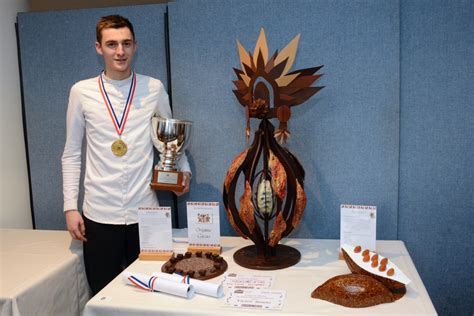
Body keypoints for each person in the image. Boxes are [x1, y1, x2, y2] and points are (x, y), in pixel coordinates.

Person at [62, 15, 191, 295]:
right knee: (104, 295)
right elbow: (71, 153)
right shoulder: (81, 92)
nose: (120, 51)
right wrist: (70, 206)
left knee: (152, 295)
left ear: (135, 46)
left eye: (126, 43)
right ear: (99, 48)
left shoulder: (153, 87)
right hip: (98, 215)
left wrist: (184, 173)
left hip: (146, 212)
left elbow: (169, 140)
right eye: (112, 44)